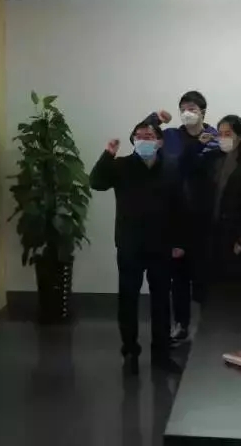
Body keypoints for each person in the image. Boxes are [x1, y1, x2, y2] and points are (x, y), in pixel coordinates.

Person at [89, 121, 185, 374]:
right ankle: (130, 350)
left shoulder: (171, 167)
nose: (143, 140)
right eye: (139, 136)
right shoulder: (121, 165)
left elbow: (179, 207)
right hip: (130, 243)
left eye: (149, 136)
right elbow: (96, 182)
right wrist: (107, 155)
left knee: (161, 301)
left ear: (160, 142)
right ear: (133, 140)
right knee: (128, 300)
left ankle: (161, 354)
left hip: (161, 245)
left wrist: (179, 242)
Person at [139, 91, 218, 345]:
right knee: (179, 277)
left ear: (203, 111)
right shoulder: (171, 136)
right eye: (183, 108)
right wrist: (154, 119)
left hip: (206, 217)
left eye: (192, 108)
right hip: (175, 217)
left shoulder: (216, 137)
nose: (187, 112)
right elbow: (140, 135)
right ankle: (181, 325)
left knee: (205, 276)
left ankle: (210, 329)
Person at [190, 115, 241, 289]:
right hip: (211, 234)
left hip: (234, 236)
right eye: (220, 134)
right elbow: (189, 168)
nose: (222, 138)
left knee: (236, 288)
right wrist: (198, 145)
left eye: (228, 134)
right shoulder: (212, 158)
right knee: (209, 285)